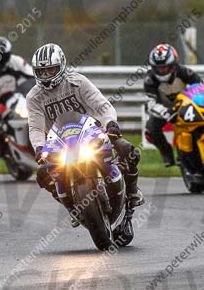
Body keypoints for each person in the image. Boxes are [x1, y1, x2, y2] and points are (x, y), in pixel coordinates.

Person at [26, 43, 144, 217]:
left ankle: (132, 192)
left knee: (128, 150)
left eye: (51, 70)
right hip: (60, 143)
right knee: (43, 175)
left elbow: (102, 105)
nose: (46, 75)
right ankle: (72, 209)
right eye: (41, 71)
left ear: (61, 65)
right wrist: (39, 148)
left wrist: (111, 124)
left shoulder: (78, 82)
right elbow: (35, 127)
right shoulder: (33, 97)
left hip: (92, 133)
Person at [143, 43, 204, 167]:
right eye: (158, 68)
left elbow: (202, 86)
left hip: (186, 105)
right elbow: (150, 103)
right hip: (164, 109)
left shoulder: (184, 72)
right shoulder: (150, 80)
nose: (162, 70)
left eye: (165, 67)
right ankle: (167, 154)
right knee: (151, 129)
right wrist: (165, 112)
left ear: (173, 65)